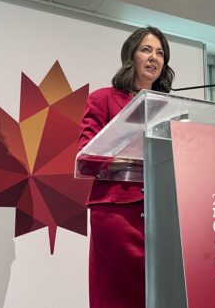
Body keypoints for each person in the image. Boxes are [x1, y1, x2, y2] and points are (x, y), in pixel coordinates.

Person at [77, 26, 175, 308]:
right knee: (118, 293)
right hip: (118, 210)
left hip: (163, 212)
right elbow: (85, 156)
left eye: (160, 53)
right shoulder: (103, 98)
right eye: (146, 50)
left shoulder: (168, 107)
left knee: (160, 292)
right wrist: (128, 158)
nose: (154, 58)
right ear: (130, 56)